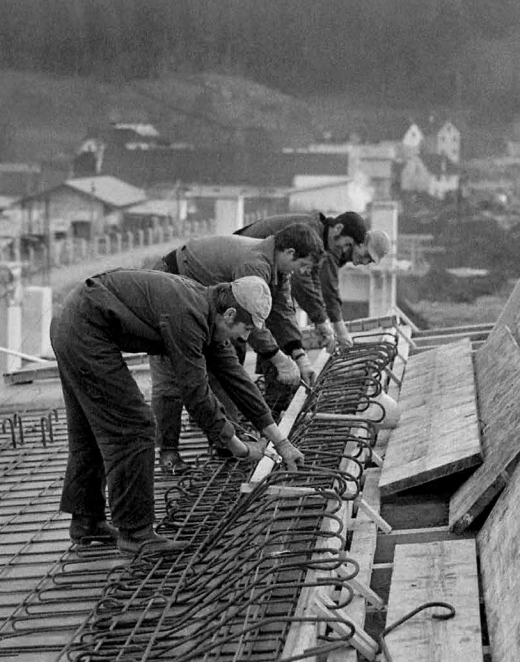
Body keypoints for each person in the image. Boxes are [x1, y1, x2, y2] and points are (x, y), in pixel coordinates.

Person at [50, 270, 304, 560]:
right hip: (83, 329)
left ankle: (87, 521)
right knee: (134, 426)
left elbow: (237, 379)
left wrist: (281, 443)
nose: (245, 338)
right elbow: (195, 392)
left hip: (71, 322)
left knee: (90, 428)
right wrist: (237, 446)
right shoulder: (189, 315)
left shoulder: (207, 311)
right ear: (231, 315)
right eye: (245, 330)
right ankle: (136, 534)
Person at [151, 223, 324, 472]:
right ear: (290, 253)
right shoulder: (254, 264)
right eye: (303, 265)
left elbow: (281, 312)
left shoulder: (278, 269)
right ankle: (169, 453)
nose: (303, 271)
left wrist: (298, 356)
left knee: (226, 366)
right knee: (172, 377)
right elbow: (251, 321)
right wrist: (277, 358)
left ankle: (224, 440)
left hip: (205, 300)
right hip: (173, 288)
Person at [236, 212, 391, 351]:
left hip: (258, 272)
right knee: (238, 333)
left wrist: (321, 322)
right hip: (242, 266)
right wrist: (326, 323)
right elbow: (305, 283)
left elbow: (315, 284)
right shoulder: (313, 235)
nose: (364, 262)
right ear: (338, 229)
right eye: (367, 256)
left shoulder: (322, 239)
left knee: (279, 327)